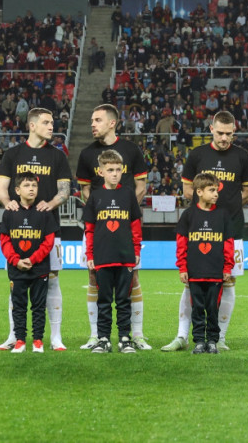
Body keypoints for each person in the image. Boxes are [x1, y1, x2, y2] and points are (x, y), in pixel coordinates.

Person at [162, 110, 248, 352]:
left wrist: (224, 212)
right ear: (211, 129)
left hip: (232, 228)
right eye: (220, 133)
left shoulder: (243, 157)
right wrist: (206, 212)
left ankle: (219, 337)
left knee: (228, 281)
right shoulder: (197, 154)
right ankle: (182, 336)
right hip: (199, 229)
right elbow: (187, 190)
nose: (224, 138)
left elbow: (247, 192)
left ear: (234, 132)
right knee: (191, 284)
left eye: (229, 134)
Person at [0, 108, 73, 351]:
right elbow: (1, 187)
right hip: (18, 230)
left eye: (52, 122)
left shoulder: (58, 156)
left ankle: (55, 337)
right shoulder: (13, 154)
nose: (52, 127)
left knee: (52, 281)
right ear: (32, 125)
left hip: (48, 229)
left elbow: (65, 190)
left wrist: (51, 204)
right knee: (16, 284)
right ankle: (14, 335)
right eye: (47, 122)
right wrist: (7, 202)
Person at [76, 104, 149, 350]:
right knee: (94, 276)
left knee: (132, 278)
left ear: (112, 123)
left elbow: (141, 186)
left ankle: (135, 335)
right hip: (99, 226)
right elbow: (86, 189)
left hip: (126, 226)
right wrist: (100, 210)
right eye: (91, 120)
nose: (92, 124)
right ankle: (96, 335)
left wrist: (125, 209)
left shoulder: (131, 150)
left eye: (97, 120)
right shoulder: (87, 154)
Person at [83, 150, 143, 353]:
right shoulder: (95, 196)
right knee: (104, 301)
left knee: (124, 301)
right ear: (101, 172)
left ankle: (125, 338)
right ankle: (103, 339)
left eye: (118, 169)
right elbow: (90, 229)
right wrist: (90, 255)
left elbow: (135, 225)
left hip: (125, 257)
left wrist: (136, 250)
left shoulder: (128, 194)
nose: (115, 173)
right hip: (103, 256)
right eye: (110, 170)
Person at [176, 172, 234, 354]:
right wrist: (182, 267)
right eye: (211, 190)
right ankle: (199, 340)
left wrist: (227, 267)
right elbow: (181, 244)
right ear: (199, 192)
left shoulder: (223, 215)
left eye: (216, 190)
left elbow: (228, 243)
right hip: (195, 272)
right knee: (197, 308)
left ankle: (213, 341)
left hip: (216, 272)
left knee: (213, 308)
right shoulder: (188, 215)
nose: (216, 194)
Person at [0, 173, 56, 353]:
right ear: (17, 190)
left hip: (39, 268)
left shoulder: (44, 212)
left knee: (38, 307)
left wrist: (32, 259)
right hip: (17, 269)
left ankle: (38, 340)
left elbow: (48, 242)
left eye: (34, 186)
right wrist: (16, 261)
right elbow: (5, 241)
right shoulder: (10, 213)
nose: (31, 189)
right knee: (19, 307)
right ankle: (20, 340)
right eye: (26, 185)